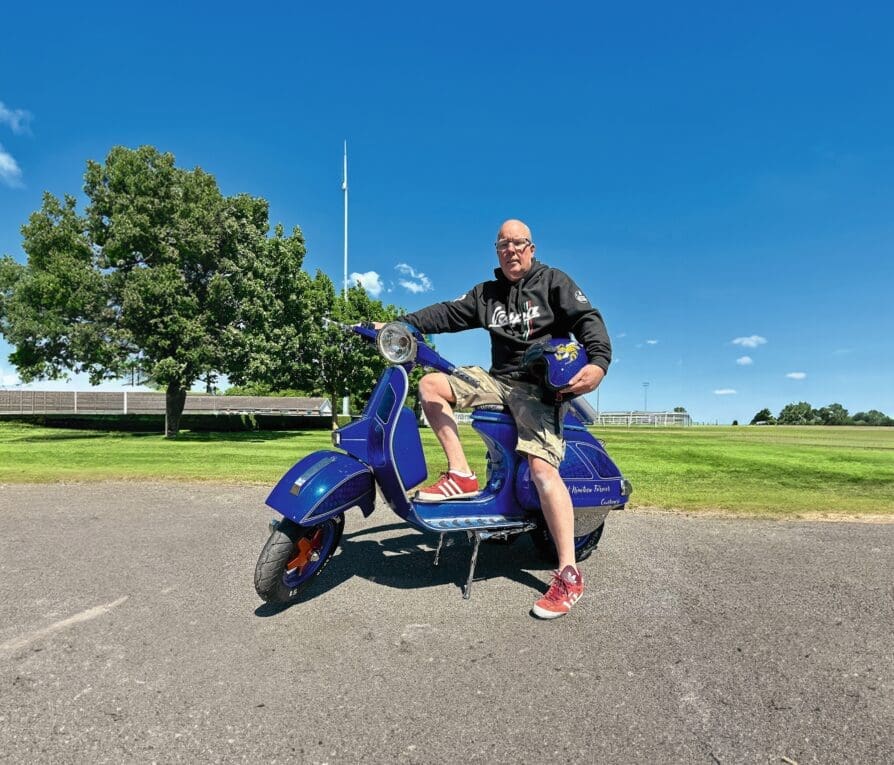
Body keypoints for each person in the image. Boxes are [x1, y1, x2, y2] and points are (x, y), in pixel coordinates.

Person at [400, 219, 611, 619]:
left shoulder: (554, 281)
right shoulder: (487, 294)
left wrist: (598, 362)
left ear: (531, 248)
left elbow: (588, 319)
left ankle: (569, 572)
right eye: (503, 245)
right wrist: (403, 324)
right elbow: (448, 312)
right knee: (430, 385)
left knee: (542, 470)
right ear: (497, 251)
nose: (511, 250)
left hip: (538, 387)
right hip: (498, 380)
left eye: (518, 243)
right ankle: (461, 474)